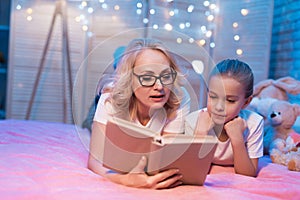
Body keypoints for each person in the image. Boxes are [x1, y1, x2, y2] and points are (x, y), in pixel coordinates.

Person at [88, 38, 190, 189]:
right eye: (147, 78)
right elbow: (94, 161)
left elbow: (164, 159)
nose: (160, 86)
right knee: (88, 124)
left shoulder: (178, 97)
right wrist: (124, 180)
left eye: (166, 76)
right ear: (130, 80)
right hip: (117, 104)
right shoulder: (109, 99)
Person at [186, 59, 264, 177]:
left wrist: (237, 138)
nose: (219, 107)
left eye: (230, 100)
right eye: (213, 97)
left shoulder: (254, 122)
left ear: (246, 102)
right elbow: (192, 171)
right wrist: (200, 134)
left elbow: (248, 174)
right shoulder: (193, 120)